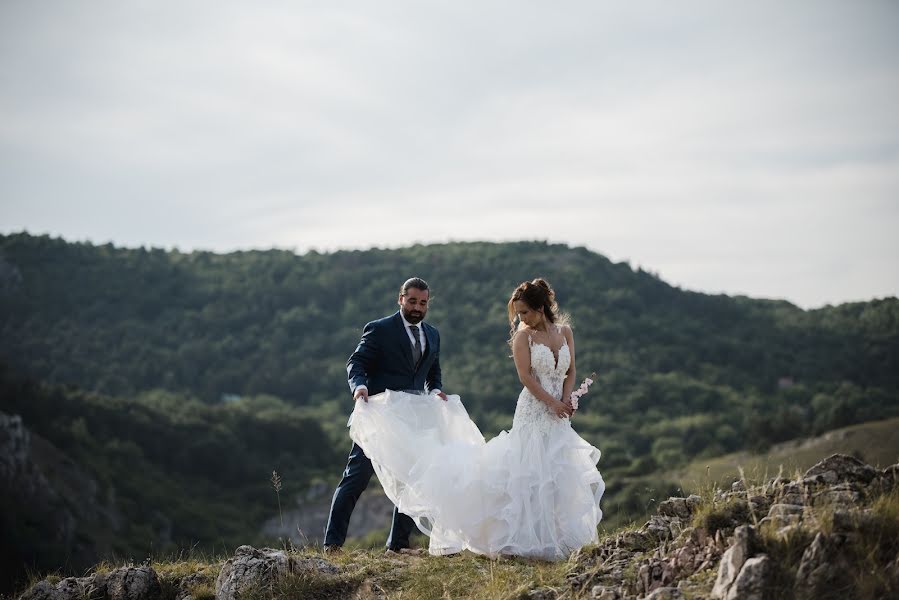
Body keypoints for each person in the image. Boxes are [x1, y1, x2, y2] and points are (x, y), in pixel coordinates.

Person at [348, 278, 604, 560]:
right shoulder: (524, 336)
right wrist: (553, 402)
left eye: (526, 313)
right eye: (518, 314)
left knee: (557, 472)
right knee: (529, 472)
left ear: (541, 308)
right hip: (534, 410)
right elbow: (525, 377)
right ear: (401, 299)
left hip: (559, 414)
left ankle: (557, 538)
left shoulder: (565, 332)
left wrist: (567, 400)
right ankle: (518, 537)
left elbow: (571, 371)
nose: (522, 319)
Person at [323, 277, 446, 552]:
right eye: (412, 301)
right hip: (379, 415)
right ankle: (332, 544)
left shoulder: (433, 334)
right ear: (400, 299)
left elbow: (433, 371)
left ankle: (398, 546)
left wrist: (436, 390)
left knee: (411, 480)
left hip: (414, 417)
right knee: (356, 477)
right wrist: (360, 387)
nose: (417, 307)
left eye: (423, 302)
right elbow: (356, 362)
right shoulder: (379, 329)